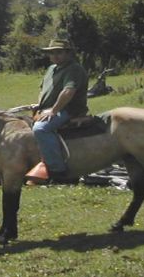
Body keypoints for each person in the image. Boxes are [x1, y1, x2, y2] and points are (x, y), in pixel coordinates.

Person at [27, 38, 89, 184]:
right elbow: (44, 90)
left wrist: (53, 111)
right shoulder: (51, 69)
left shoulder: (74, 69)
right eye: (52, 53)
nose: (55, 56)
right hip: (49, 108)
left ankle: (58, 172)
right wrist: (39, 105)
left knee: (41, 128)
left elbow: (69, 91)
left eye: (59, 52)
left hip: (69, 109)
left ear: (68, 53)